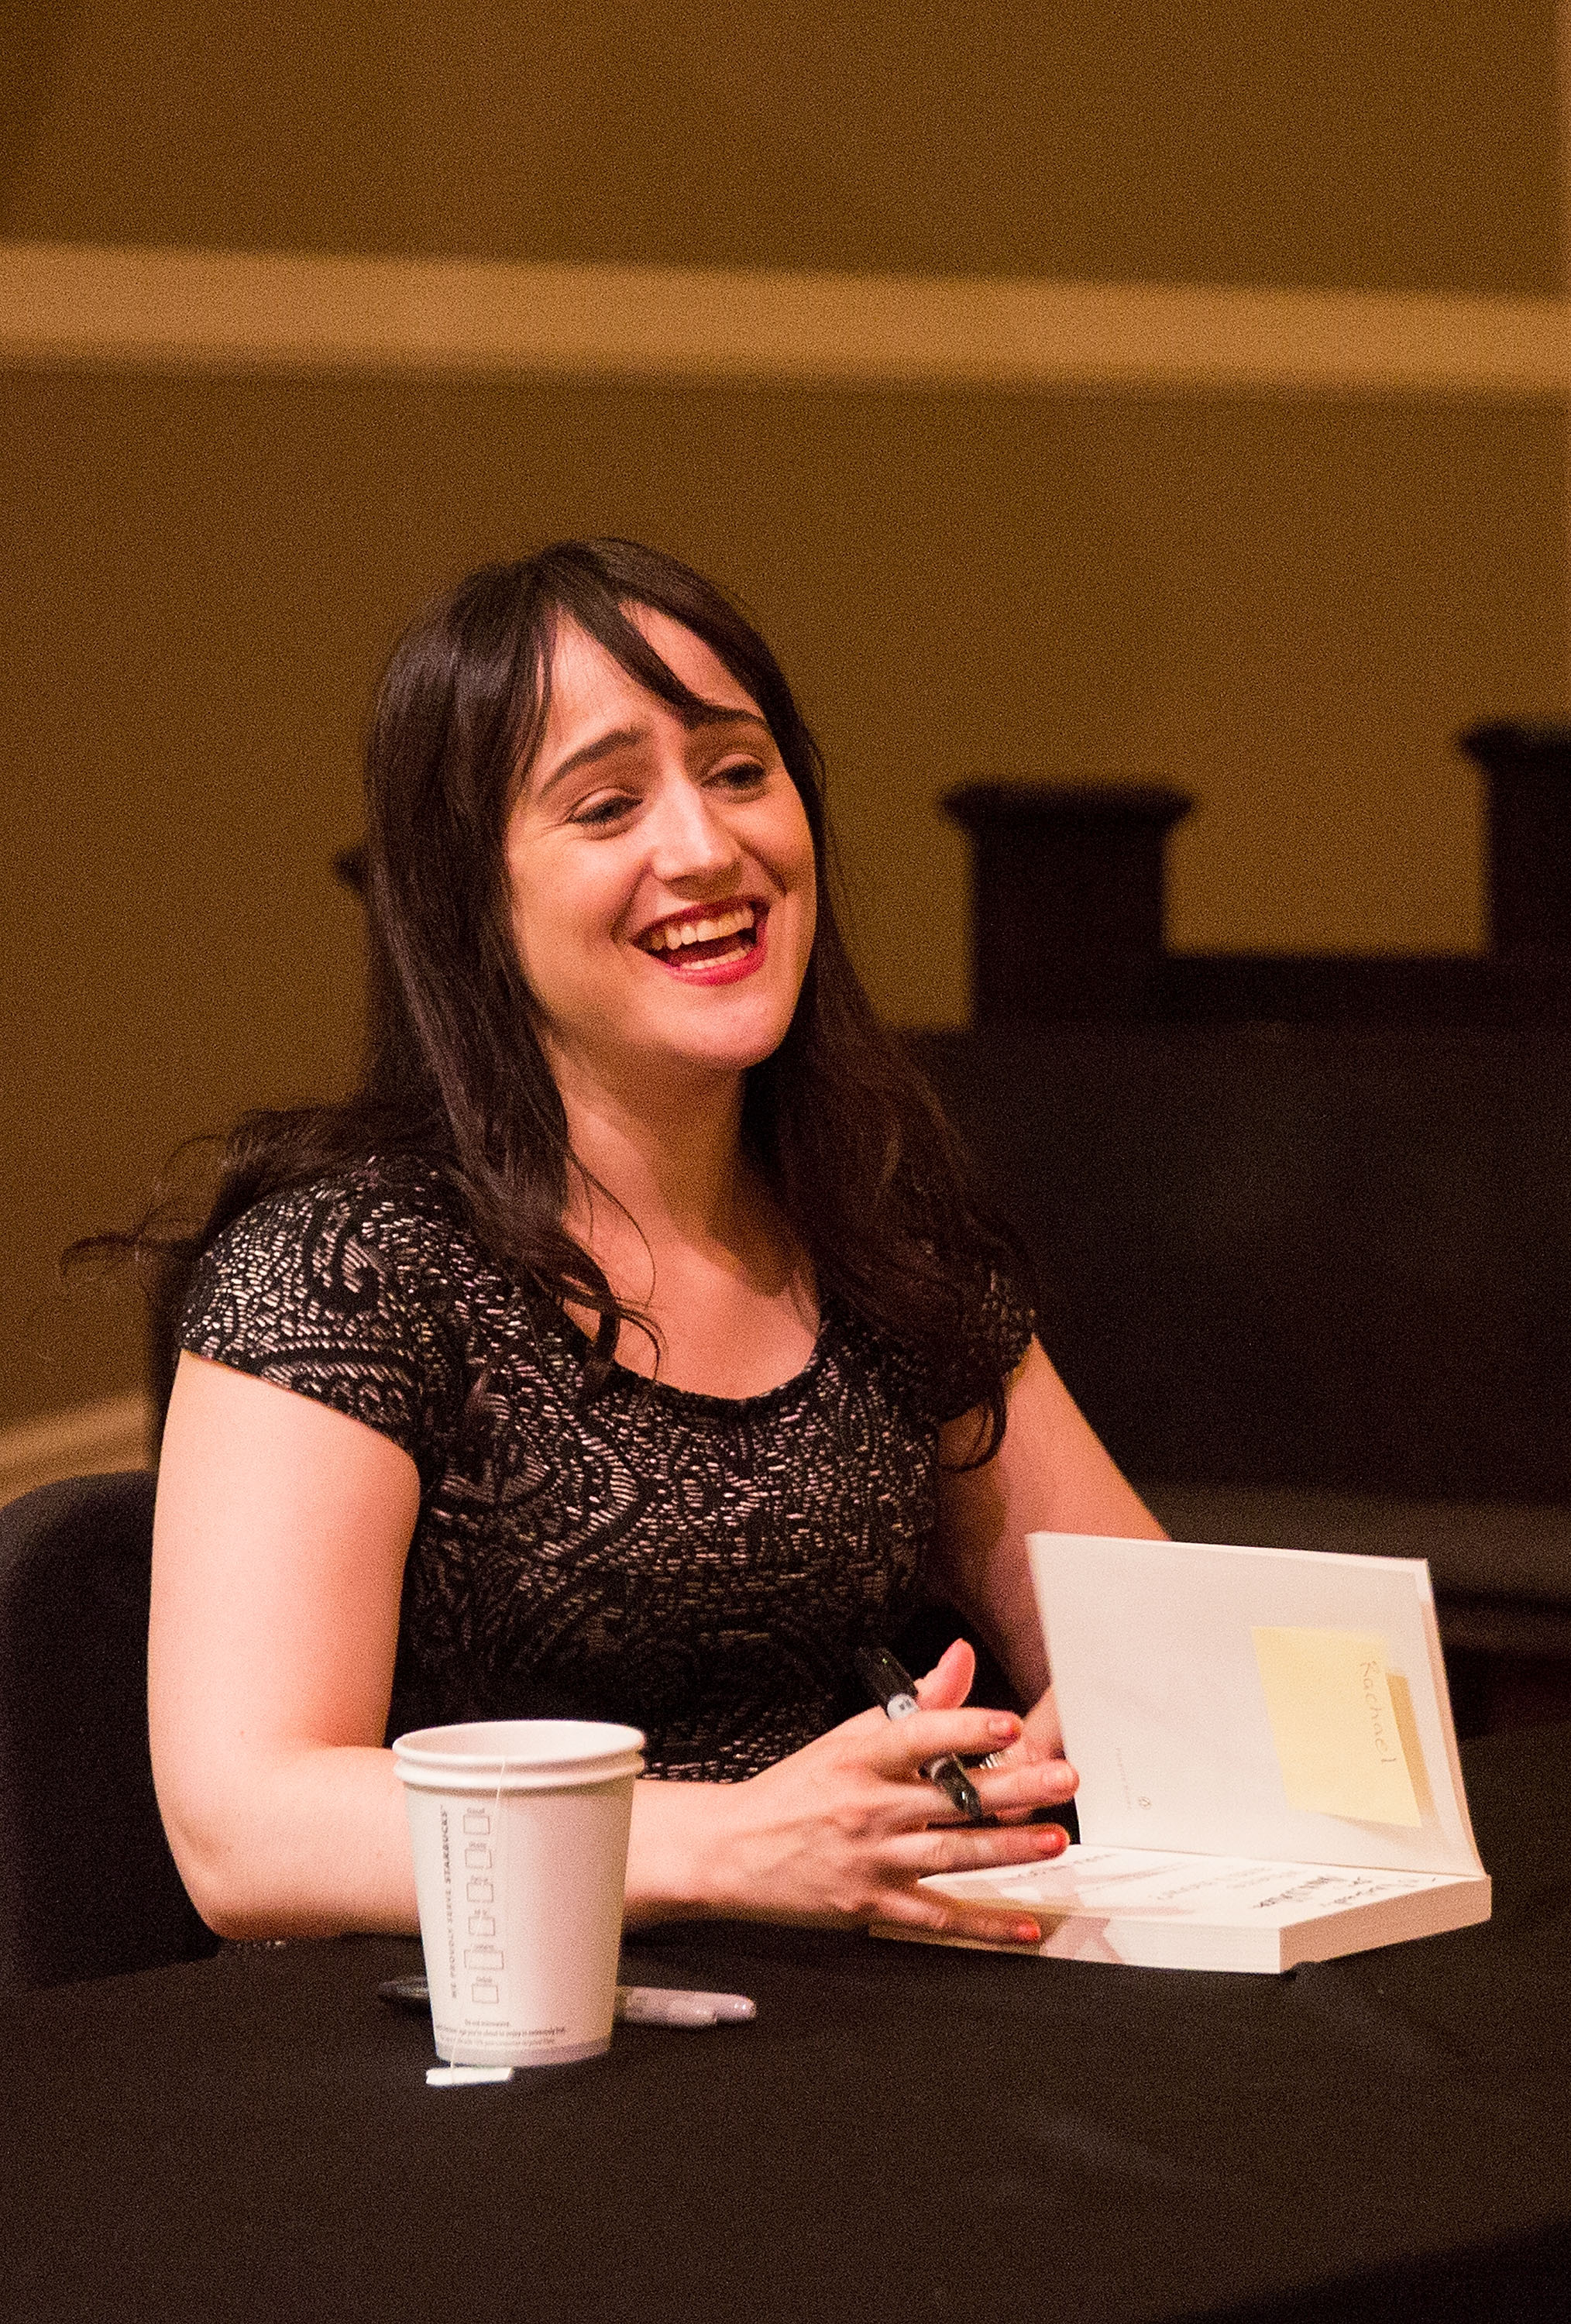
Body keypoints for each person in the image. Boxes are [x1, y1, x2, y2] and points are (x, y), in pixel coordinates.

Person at [146, 538, 1164, 1948]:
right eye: (608, 804)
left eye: (740, 772)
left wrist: (1077, 1746)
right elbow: (246, 1828)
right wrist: (731, 1840)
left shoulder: (871, 1224)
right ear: (469, 905)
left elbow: (1149, 1647)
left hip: (875, 2024)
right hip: (498, 2059)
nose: (705, 848)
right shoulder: (347, 1272)